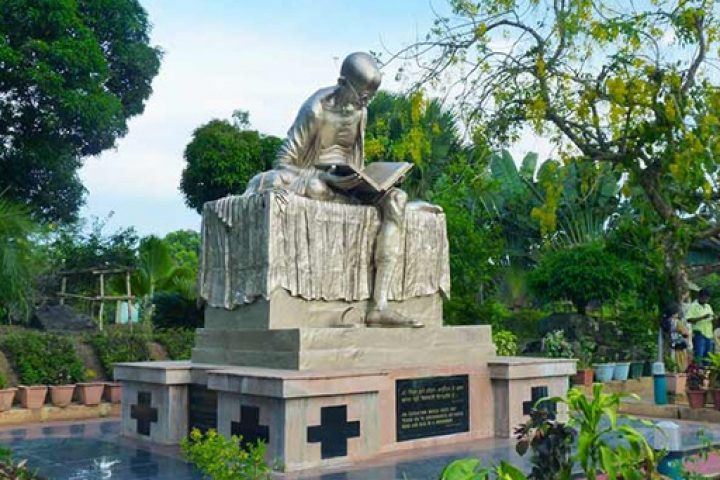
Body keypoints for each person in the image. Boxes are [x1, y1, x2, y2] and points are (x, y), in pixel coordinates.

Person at [243, 52, 439, 327]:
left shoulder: (361, 111)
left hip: (348, 184)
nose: (364, 102)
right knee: (312, 187)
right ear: (342, 82)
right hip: (317, 180)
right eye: (361, 95)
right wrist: (326, 176)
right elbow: (283, 162)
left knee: (397, 198)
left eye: (369, 97)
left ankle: (379, 307)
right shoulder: (316, 108)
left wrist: (367, 181)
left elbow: (355, 160)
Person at [686, 288, 715, 364]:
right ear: (700, 297)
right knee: (699, 355)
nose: (706, 300)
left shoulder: (708, 306)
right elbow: (689, 319)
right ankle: (698, 373)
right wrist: (702, 317)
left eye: (708, 298)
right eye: (705, 298)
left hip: (709, 334)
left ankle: (706, 374)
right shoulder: (693, 306)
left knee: (708, 357)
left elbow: (711, 319)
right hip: (699, 334)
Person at [662, 304, 689, 371]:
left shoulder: (666, 322)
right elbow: (685, 333)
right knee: (681, 360)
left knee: (671, 359)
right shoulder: (677, 322)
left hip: (670, 344)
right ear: (674, 313)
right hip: (679, 344)